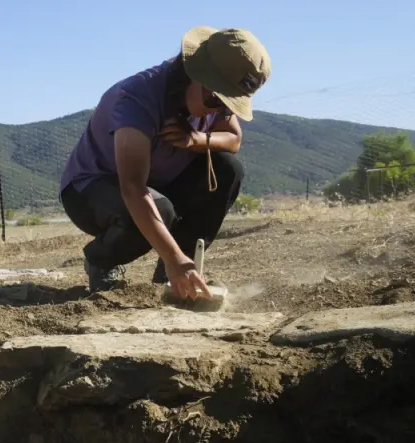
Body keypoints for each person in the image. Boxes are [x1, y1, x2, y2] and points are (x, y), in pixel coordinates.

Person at [58, 26, 271, 298]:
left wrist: (195, 139)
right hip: (90, 192)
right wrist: (174, 257)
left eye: (229, 106)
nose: (219, 111)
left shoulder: (212, 100)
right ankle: (101, 260)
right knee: (161, 209)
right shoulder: (137, 98)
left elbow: (233, 139)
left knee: (227, 169)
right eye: (217, 100)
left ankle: (175, 275)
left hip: (158, 187)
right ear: (196, 74)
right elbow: (133, 188)